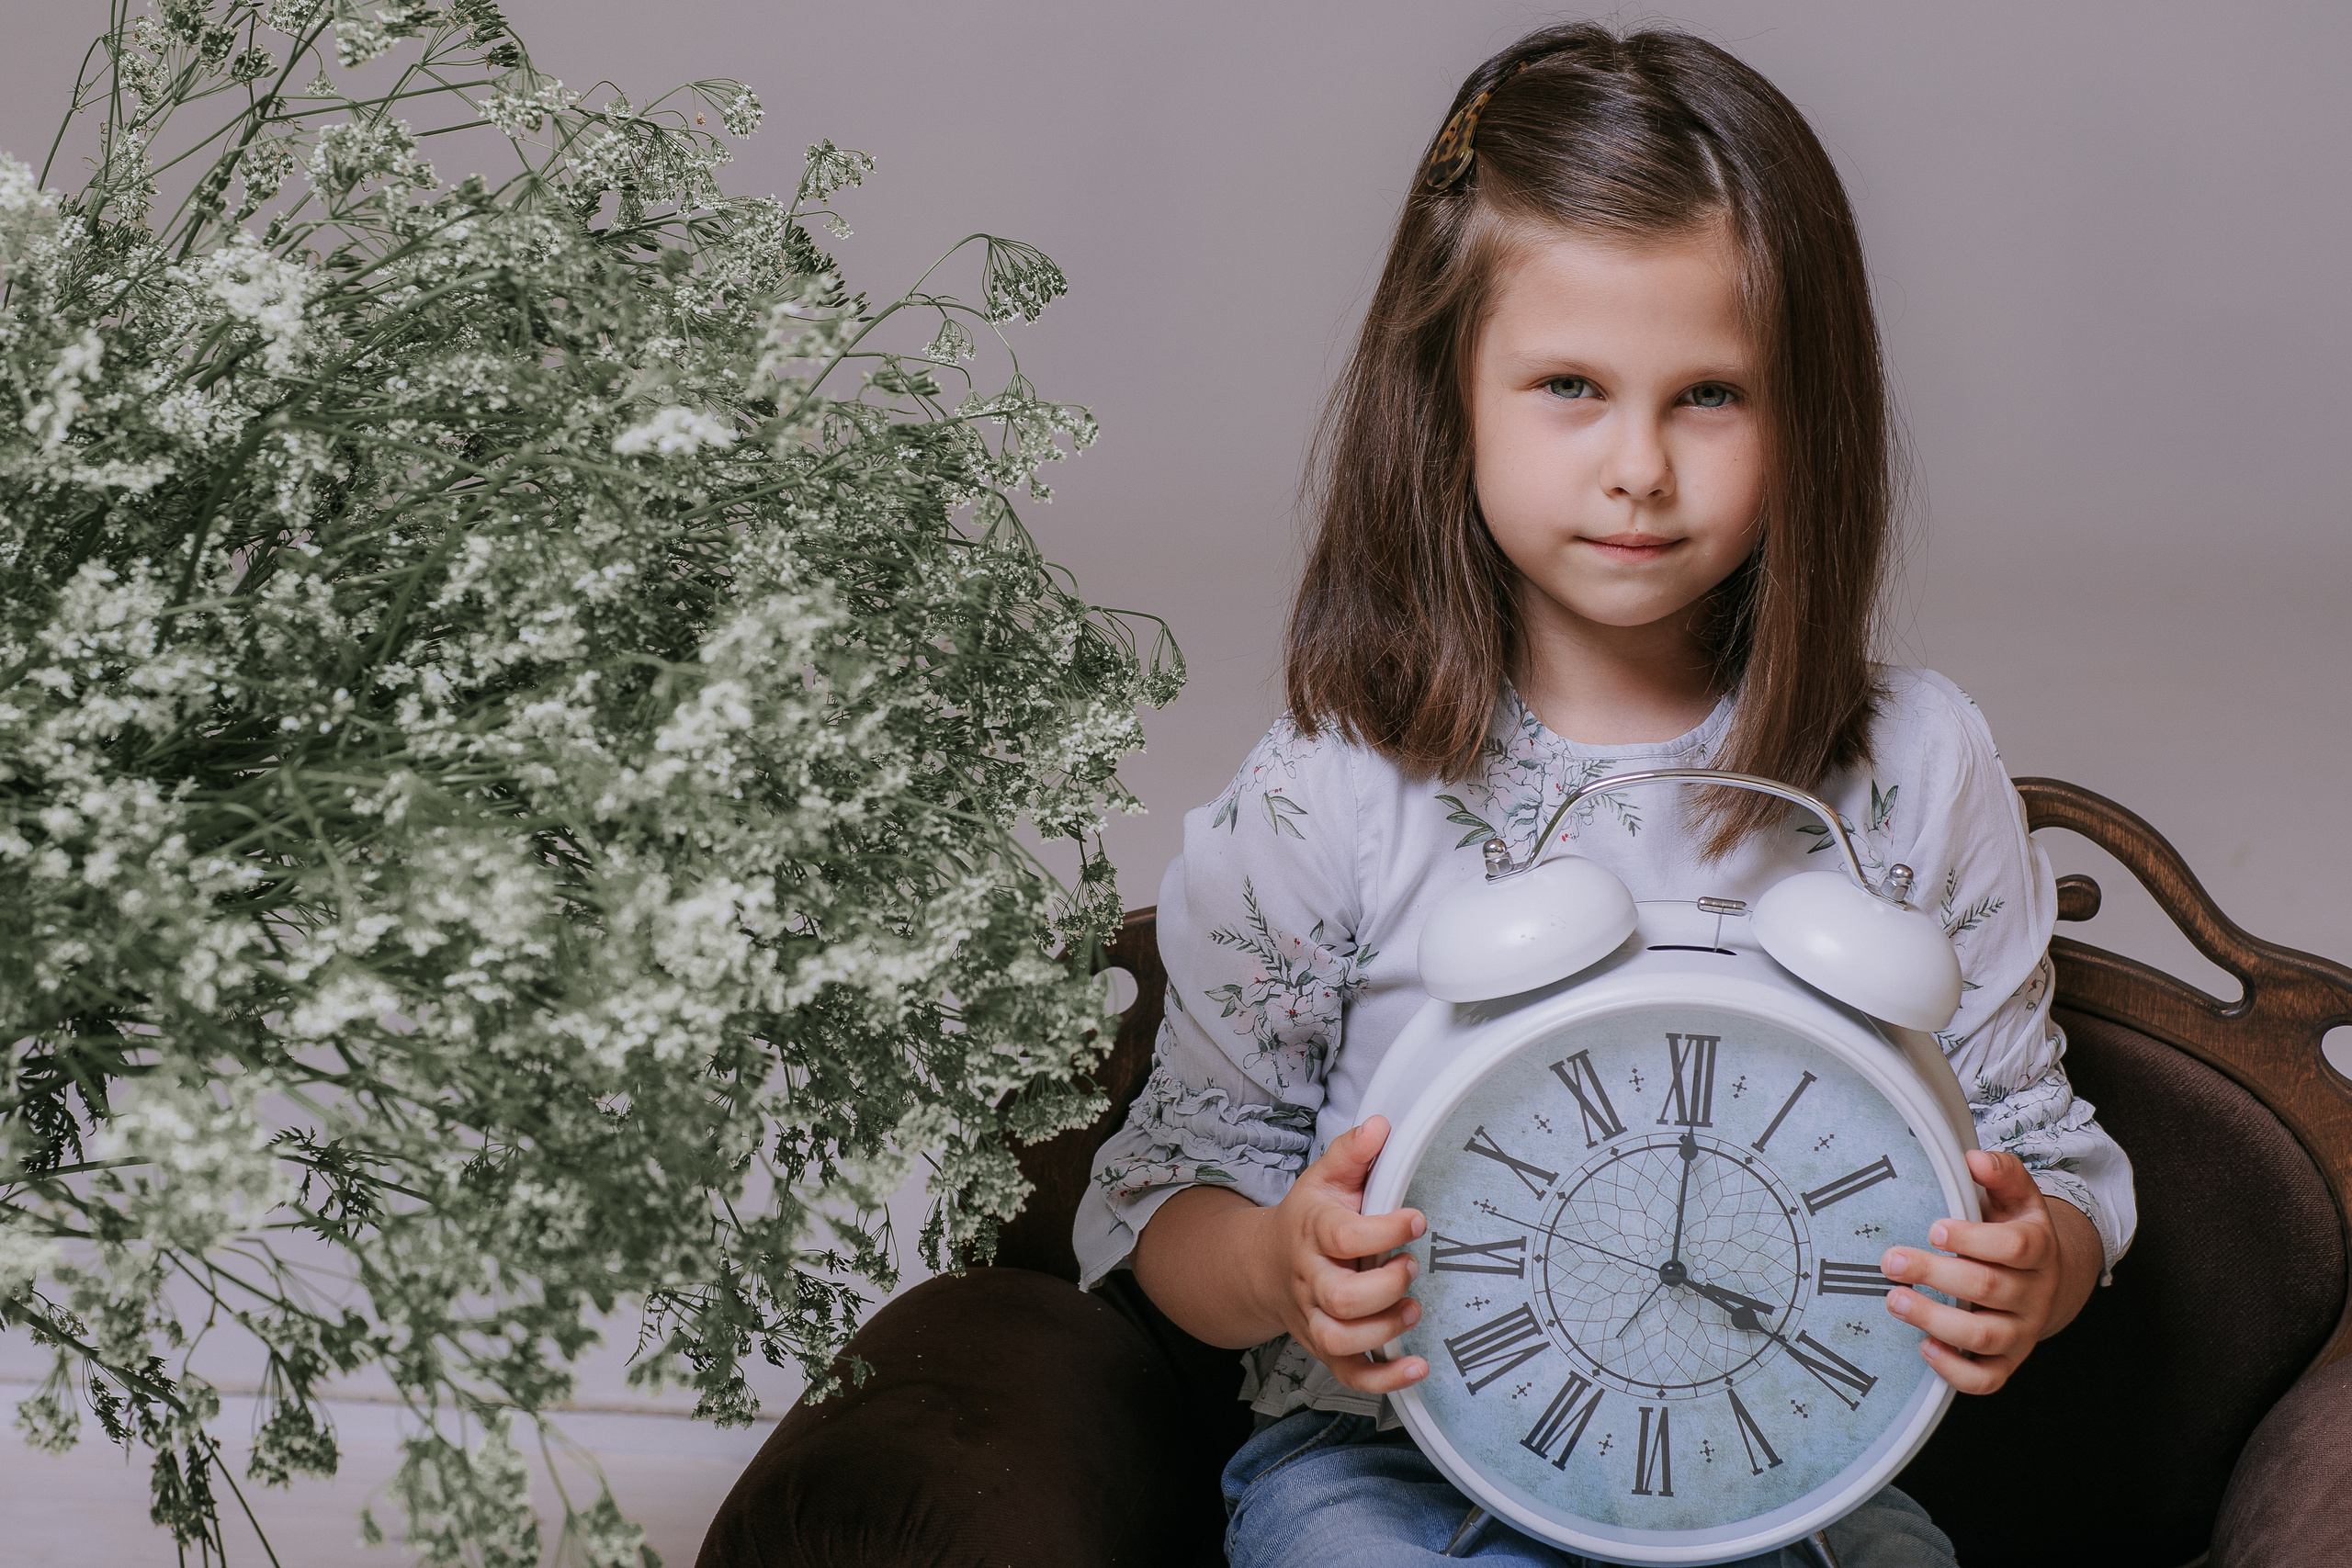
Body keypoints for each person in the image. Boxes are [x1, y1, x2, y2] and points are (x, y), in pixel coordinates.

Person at [1072, 21, 2134, 1568]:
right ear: (1449, 391)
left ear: (1812, 415)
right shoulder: (1335, 789)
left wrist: (2044, 1263)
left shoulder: (1913, 765)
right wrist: (1279, 1265)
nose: (1639, 465)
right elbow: (1168, 1189)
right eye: (1569, 384)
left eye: (1711, 395)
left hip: (1789, 1491)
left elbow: (2048, 1150)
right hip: (1390, 1477)